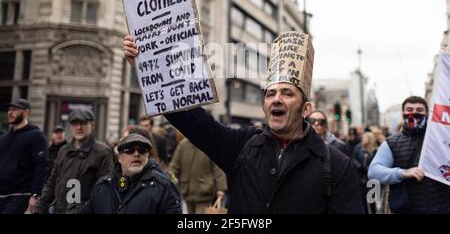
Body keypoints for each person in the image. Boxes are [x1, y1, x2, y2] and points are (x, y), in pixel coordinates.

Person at [123, 35, 364, 213]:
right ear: (264, 106)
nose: (277, 99)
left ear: (306, 109)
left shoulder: (335, 164)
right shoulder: (243, 146)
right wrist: (147, 69)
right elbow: (191, 120)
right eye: (270, 94)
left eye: (287, 93)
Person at [368, 96, 450, 213]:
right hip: (408, 208)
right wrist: (403, 173)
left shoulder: (439, 137)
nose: (414, 113)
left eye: (419, 110)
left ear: (427, 113)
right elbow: (374, 171)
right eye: (409, 110)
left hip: (442, 207)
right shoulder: (392, 143)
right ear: (403, 113)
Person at [34, 108, 114, 214]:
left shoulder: (103, 152)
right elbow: (53, 181)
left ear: (92, 125)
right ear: (71, 126)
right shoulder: (64, 150)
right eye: (75, 124)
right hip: (59, 209)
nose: (79, 127)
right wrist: (40, 207)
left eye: (83, 123)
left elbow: (105, 189)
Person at [83, 133, 182, 214]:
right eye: (129, 150)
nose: (136, 154)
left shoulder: (164, 187)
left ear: (147, 156)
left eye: (142, 150)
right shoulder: (102, 186)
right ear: (119, 158)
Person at [0, 98, 48, 214]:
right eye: (9, 110)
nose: (10, 113)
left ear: (26, 112)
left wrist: (36, 194)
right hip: (2, 194)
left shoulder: (36, 136)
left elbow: (41, 166)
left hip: (21, 195)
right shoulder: (4, 138)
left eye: (15, 110)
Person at [170, 138, 227, 214]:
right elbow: (174, 167)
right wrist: (171, 180)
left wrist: (221, 188)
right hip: (187, 191)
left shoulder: (210, 145)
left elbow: (218, 169)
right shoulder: (183, 145)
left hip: (204, 191)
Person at [352, 132, 378, 213]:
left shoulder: (375, 150)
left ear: (370, 139)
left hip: (372, 179)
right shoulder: (358, 147)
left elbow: (377, 162)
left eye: (365, 138)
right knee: (362, 200)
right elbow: (353, 158)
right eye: (363, 138)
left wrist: (369, 168)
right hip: (360, 178)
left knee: (372, 200)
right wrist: (360, 166)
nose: (363, 139)